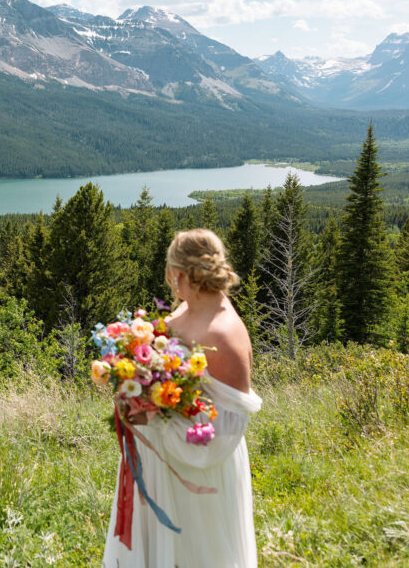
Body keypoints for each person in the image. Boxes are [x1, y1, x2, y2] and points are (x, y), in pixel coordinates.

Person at [103, 228, 262, 567]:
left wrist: (154, 416)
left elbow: (227, 432)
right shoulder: (185, 310)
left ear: (178, 274)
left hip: (200, 474)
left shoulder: (225, 333)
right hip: (159, 462)